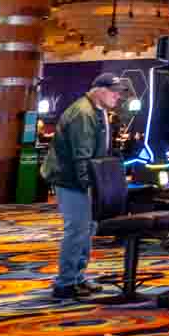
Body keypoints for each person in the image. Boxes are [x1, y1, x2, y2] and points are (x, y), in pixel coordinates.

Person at [47, 73, 127, 300]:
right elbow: (81, 157)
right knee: (77, 230)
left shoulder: (96, 111)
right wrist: (89, 186)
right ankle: (65, 284)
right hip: (72, 180)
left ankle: (77, 277)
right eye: (114, 91)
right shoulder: (83, 113)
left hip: (81, 180)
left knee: (86, 229)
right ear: (99, 90)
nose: (117, 96)